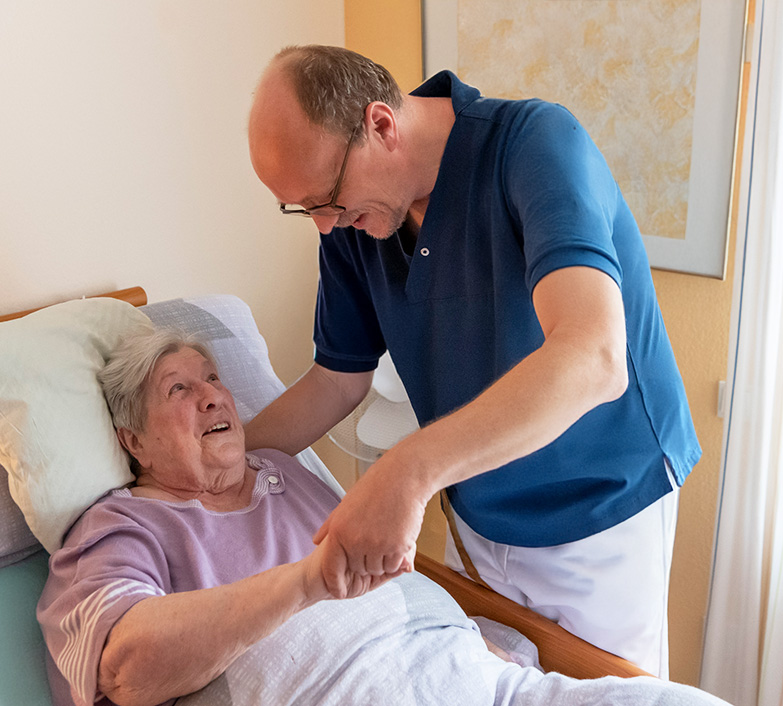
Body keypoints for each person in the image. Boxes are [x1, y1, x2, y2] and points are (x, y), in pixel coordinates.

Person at [244, 45, 702, 678]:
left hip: (598, 507)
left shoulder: (534, 146)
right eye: (303, 210)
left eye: (326, 197)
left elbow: (594, 355)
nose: (324, 226)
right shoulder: (356, 224)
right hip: (480, 508)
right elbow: (335, 380)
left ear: (381, 124)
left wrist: (408, 472)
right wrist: (224, 453)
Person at [36, 329, 727, 706]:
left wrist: (456, 638)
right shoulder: (120, 525)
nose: (212, 397)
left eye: (212, 378)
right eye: (178, 389)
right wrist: (306, 583)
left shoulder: (285, 474)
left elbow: (392, 591)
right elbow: (124, 667)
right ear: (132, 441)